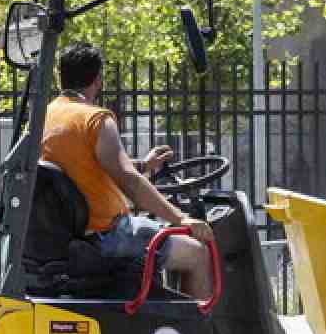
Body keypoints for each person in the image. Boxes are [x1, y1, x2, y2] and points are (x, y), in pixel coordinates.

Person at [39, 43, 217, 300]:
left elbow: (90, 165)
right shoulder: (96, 118)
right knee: (198, 253)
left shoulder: (46, 116)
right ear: (98, 79)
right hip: (105, 234)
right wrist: (182, 219)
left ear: (60, 76)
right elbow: (128, 181)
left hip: (66, 235)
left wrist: (144, 166)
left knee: (152, 232)